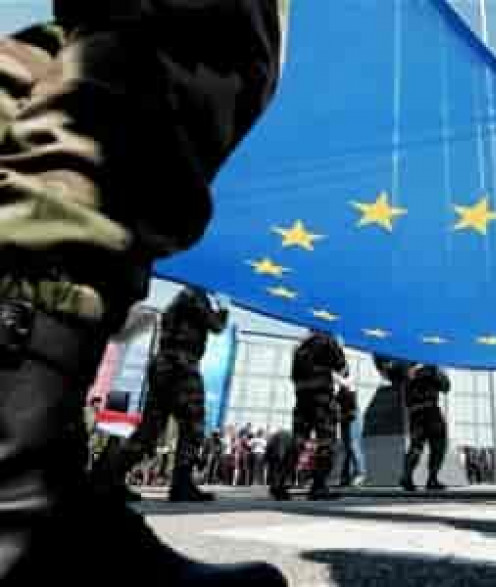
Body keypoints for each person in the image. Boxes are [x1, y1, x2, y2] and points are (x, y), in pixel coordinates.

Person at [0, 3, 286, 585]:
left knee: (62, 48)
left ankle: (40, 492)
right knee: (200, 35)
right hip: (169, 370)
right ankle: (23, 508)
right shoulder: (191, 305)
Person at [93, 286, 228, 502]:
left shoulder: (178, 301)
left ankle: (108, 478)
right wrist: (223, 309)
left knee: (149, 430)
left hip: (164, 365)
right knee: (193, 425)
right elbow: (217, 326)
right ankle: (182, 484)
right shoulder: (194, 297)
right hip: (181, 365)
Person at [287, 330, 348, 500]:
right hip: (322, 399)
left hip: (301, 399)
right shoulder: (328, 340)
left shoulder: (299, 347)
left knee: (298, 440)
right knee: (327, 442)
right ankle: (319, 487)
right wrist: (339, 349)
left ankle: (280, 483)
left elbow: (293, 377)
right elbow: (343, 368)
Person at [399, 364, 451, 492]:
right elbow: (445, 387)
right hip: (423, 412)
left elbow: (446, 387)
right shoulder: (415, 368)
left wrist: (437, 374)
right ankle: (411, 477)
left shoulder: (428, 368)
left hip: (425, 412)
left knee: (432, 446)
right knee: (424, 446)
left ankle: (427, 478)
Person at [335, 378, 366, 487]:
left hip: (352, 417)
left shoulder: (348, 386)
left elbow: (352, 410)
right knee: (348, 447)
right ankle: (346, 476)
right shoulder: (338, 391)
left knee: (353, 445)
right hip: (345, 417)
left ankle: (360, 473)